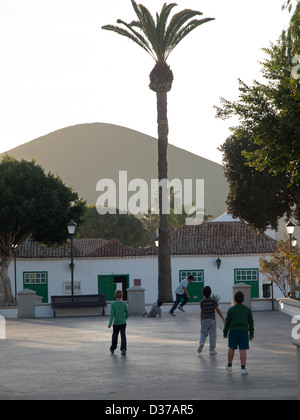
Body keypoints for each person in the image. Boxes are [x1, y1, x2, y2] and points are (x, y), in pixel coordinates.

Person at [223, 291, 254, 375]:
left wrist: (225, 332)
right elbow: (251, 322)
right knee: (242, 349)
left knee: (231, 348)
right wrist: (251, 333)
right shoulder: (247, 310)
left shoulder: (231, 310)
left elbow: (227, 322)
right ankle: (243, 368)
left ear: (235, 300)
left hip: (233, 331)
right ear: (243, 299)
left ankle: (229, 366)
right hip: (243, 332)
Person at [198, 286, 225, 355]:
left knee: (203, 333)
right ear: (210, 293)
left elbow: (202, 311)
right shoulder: (213, 300)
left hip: (205, 319)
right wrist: (222, 318)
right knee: (212, 334)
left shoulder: (202, 301)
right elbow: (217, 309)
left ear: (203, 293)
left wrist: (201, 320)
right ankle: (212, 349)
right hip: (212, 319)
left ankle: (202, 342)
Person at [108, 289, 129, 355]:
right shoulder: (124, 304)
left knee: (115, 336)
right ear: (122, 296)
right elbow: (127, 313)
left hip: (116, 323)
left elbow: (112, 315)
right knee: (123, 336)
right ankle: (123, 349)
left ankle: (113, 348)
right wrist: (124, 318)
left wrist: (110, 323)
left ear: (115, 296)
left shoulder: (113, 304)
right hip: (123, 323)